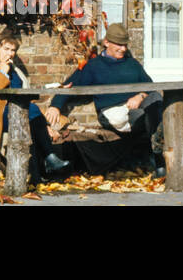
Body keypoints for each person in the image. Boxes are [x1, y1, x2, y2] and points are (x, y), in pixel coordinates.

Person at [44, 23, 166, 178]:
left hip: (136, 109)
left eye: (125, 45)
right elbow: (70, 85)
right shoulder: (93, 66)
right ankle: (159, 159)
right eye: (119, 45)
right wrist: (56, 105)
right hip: (112, 112)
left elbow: (149, 86)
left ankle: (159, 157)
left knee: (155, 99)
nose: (123, 49)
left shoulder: (132, 63)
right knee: (152, 118)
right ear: (107, 42)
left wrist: (140, 95)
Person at [0, 31, 71, 176]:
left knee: (32, 113)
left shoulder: (14, 70)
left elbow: (22, 94)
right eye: (6, 49)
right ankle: (49, 158)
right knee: (33, 111)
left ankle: (46, 163)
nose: (9, 54)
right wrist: (2, 73)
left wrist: (54, 87)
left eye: (13, 50)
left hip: (16, 111)